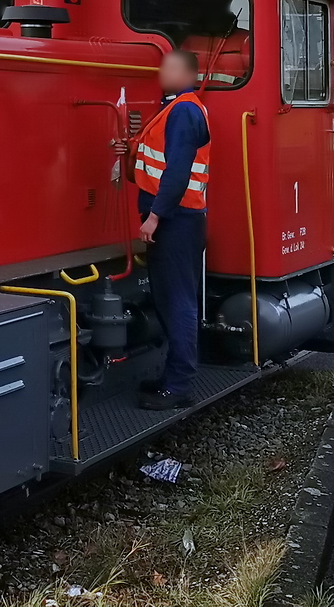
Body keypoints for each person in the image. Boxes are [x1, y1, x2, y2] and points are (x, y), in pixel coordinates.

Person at [125, 50, 211, 410]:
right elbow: (151, 163)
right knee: (169, 300)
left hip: (178, 221)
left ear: (189, 74)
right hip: (176, 220)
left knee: (178, 304)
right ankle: (171, 378)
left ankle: (179, 386)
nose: (164, 72)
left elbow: (176, 171)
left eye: (172, 67)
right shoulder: (172, 109)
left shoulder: (185, 110)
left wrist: (155, 216)